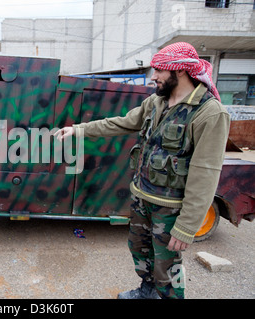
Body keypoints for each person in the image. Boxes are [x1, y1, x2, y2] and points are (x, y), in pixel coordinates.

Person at [54, 42, 230, 299]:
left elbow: (206, 174)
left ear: (179, 71)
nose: (153, 76)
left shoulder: (209, 113)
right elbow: (124, 123)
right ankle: (147, 291)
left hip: (170, 208)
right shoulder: (157, 102)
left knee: (167, 266)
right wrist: (79, 129)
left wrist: (187, 226)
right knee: (140, 251)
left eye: (159, 70)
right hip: (142, 198)